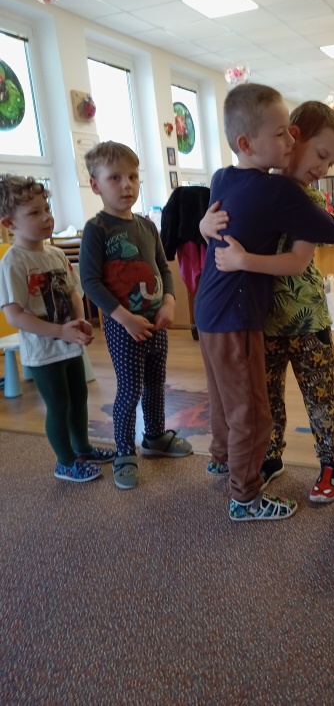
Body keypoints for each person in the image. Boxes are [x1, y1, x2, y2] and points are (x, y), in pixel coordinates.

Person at [194, 83, 334, 522]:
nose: (290, 143)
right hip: (245, 316)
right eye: (284, 136)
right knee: (256, 409)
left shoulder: (224, 176)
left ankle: (228, 459)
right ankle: (246, 493)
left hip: (233, 311)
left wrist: (208, 230)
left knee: (237, 398)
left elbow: (298, 255)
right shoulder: (278, 190)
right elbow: (332, 231)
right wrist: (208, 230)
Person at [80, 141, 192, 490]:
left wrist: (170, 301)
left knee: (156, 384)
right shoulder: (97, 229)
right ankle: (124, 452)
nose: (126, 184)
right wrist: (123, 318)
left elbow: (164, 268)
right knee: (129, 391)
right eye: (114, 178)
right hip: (123, 327)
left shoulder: (147, 226)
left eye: (132, 176)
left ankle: (155, 437)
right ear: (96, 185)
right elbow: (90, 281)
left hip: (156, 323)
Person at [0, 175, 116, 482]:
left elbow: (74, 291)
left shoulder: (55, 254)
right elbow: (15, 316)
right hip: (43, 351)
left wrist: (79, 321)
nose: (47, 217)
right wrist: (60, 332)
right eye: (34, 213)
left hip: (69, 344)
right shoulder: (13, 262)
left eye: (47, 209)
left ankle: (83, 449)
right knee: (59, 404)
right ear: (10, 223)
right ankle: (65, 462)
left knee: (79, 397)